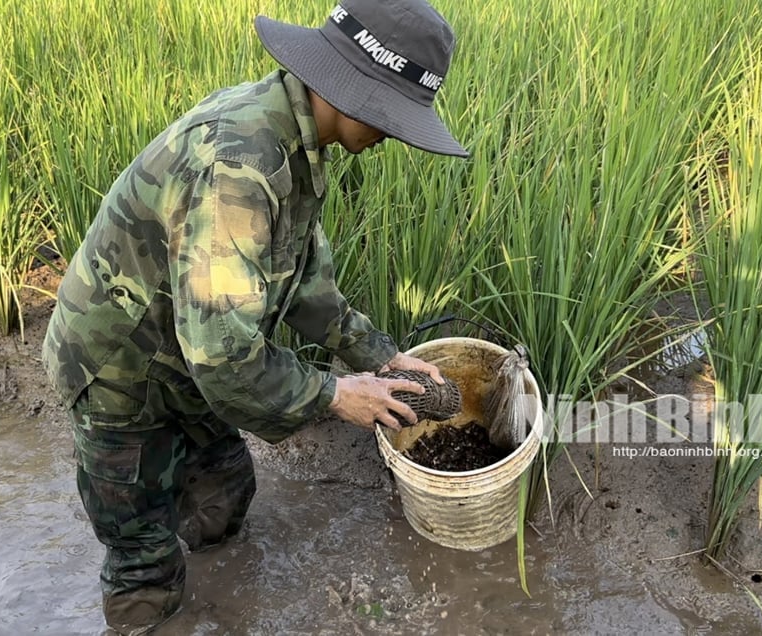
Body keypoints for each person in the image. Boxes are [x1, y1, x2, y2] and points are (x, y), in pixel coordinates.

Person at [41, 0, 468, 632]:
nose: (392, 137)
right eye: (391, 117)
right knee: (144, 566)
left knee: (224, 497)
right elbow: (224, 358)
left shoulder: (295, 141)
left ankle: (218, 599)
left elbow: (302, 283)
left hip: (189, 353)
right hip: (120, 373)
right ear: (353, 91)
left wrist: (376, 355)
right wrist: (333, 394)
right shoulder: (237, 166)